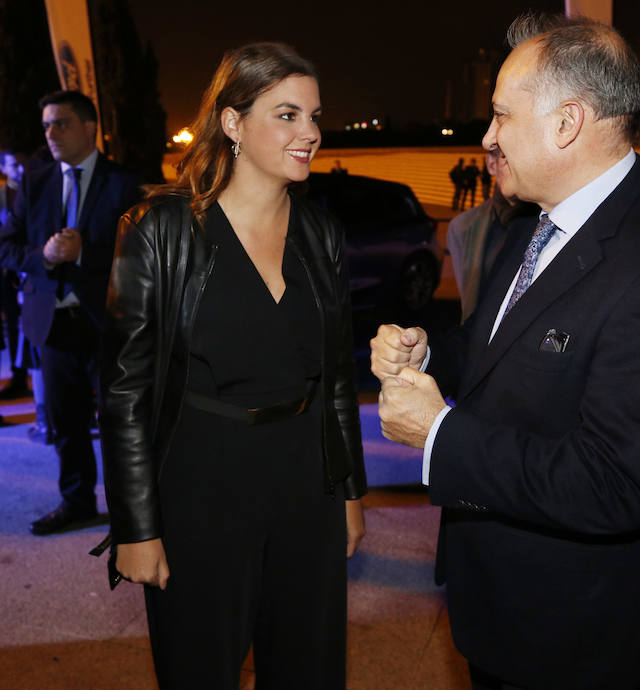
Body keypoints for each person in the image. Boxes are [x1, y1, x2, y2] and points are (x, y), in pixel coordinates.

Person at [371, 14, 640, 690]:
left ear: (567, 123)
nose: (487, 137)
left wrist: (438, 435)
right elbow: (490, 350)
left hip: (576, 634)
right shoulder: (536, 224)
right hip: (500, 603)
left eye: (502, 116)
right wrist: (426, 356)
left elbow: (613, 485)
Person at [98, 42, 367, 689]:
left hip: (308, 487)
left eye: (314, 115)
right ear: (233, 123)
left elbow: (335, 378)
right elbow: (124, 390)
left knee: (310, 669)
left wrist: (351, 491)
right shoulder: (158, 228)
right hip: (201, 486)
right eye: (287, 114)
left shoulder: (321, 233)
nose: (310, 133)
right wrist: (137, 527)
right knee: (200, 669)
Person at [0, 91, 141, 534]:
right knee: (67, 425)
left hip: (110, 325)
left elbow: (146, 253)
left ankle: (131, 513)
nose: (50, 133)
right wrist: (43, 256)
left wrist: (86, 253)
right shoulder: (36, 180)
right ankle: (77, 501)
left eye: (60, 123)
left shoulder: (124, 182)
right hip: (54, 325)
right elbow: (7, 246)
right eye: (46, 125)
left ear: (88, 127)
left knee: (122, 426)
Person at [446, 147, 538, 321]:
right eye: (507, 157)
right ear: (491, 164)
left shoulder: (553, 222)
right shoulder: (462, 227)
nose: (518, 166)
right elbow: (469, 303)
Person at [0, 149, 29, 400]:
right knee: (13, 324)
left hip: (30, 266)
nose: (18, 169)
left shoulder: (30, 189)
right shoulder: (3, 194)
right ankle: (19, 374)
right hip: (9, 270)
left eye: (19, 164)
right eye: (12, 165)